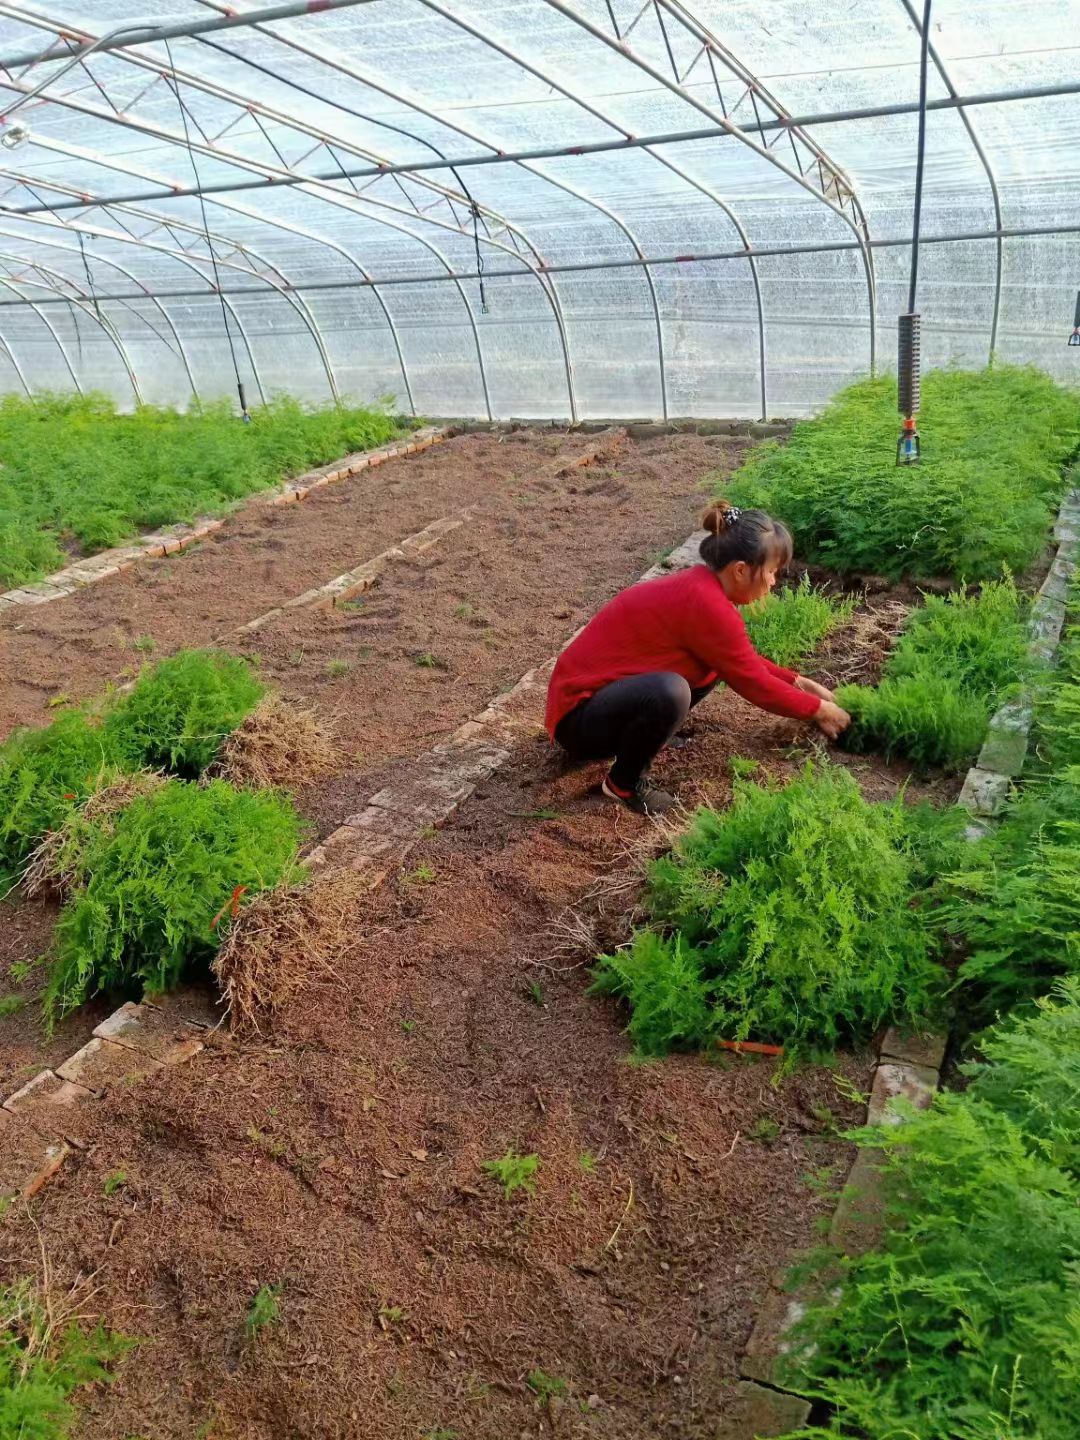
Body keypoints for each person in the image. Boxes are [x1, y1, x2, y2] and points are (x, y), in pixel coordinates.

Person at [544, 500, 851, 816]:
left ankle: (645, 739)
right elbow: (753, 683)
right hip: (577, 719)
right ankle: (623, 784)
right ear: (741, 570)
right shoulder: (706, 603)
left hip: (599, 703)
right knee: (670, 692)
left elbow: (736, 658)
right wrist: (820, 710)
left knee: (704, 671)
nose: (773, 581)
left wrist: (796, 681)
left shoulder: (702, 587)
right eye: (771, 571)